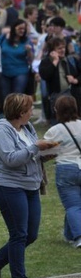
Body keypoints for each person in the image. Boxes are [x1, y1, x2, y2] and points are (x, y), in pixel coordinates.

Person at [0, 93, 58, 278]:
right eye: (30, 109)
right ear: (21, 112)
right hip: (8, 187)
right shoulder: (1, 130)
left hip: (30, 186)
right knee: (19, 234)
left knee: (30, 234)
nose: (32, 112)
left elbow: (31, 156)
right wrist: (36, 147)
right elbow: (10, 159)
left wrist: (47, 153)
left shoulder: (27, 127)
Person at [43, 95, 81, 247]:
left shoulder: (54, 130)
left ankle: (78, 236)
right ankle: (69, 234)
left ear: (57, 110)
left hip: (66, 168)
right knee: (75, 205)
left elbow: (44, 154)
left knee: (72, 205)